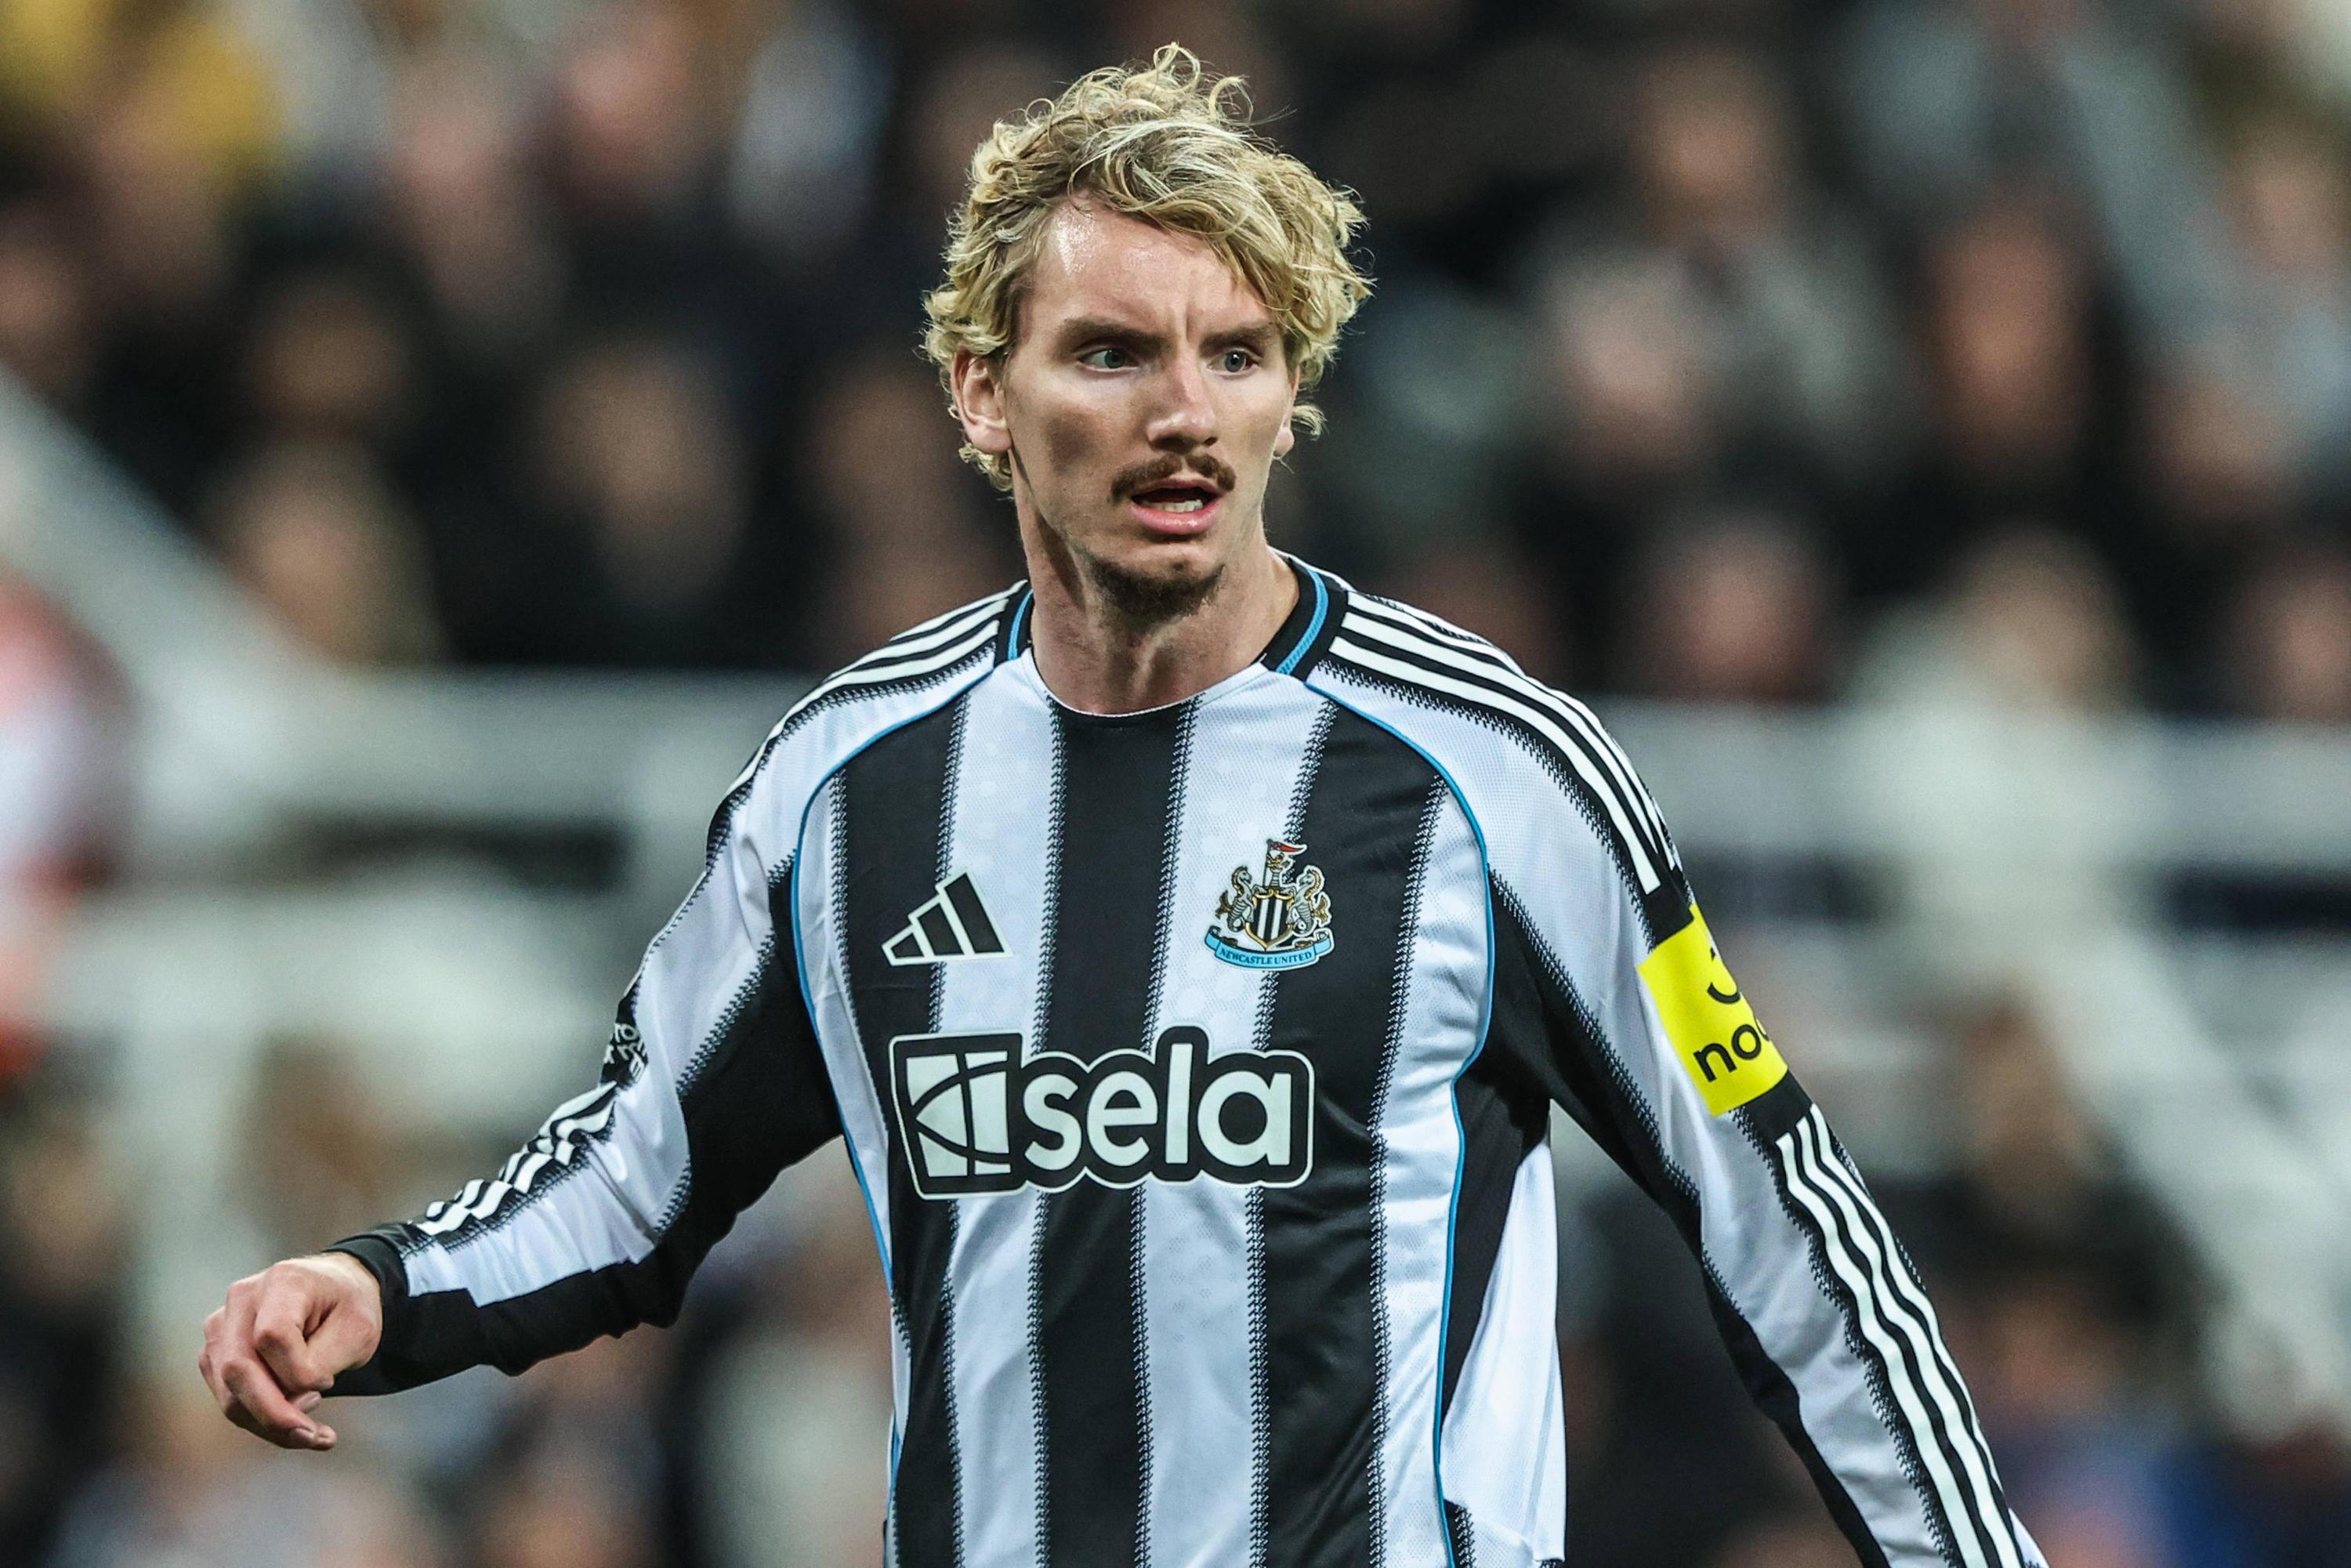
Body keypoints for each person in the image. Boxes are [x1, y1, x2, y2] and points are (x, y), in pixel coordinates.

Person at [198, 45, 2047, 1568]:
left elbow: (1790, 1222)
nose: (1185, 412)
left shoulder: (1497, 775)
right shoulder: (847, 788)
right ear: (979, 390)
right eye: (1112, 352)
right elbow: (629, 1170)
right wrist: (383, 1283)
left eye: (1236, 354)